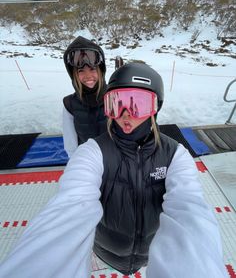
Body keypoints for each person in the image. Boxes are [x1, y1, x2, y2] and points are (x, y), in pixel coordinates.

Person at [0, 63, 228, 278]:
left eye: (138, 103)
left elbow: (189, 209)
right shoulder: (93, 152)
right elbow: (70, 204)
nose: (125, 114)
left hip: (150, 253)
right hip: (106, 251)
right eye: (116, 103)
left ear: (155, 107)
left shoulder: (175, 155)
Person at [62, 36, 107, 157]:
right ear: (74, 75)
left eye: (92, 69)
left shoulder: (115, 97)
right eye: (81, 71)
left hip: (115, 164)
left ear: (100, 71)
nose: (88, 76)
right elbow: (70, 145)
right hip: (88, 162)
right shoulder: (69, 104)